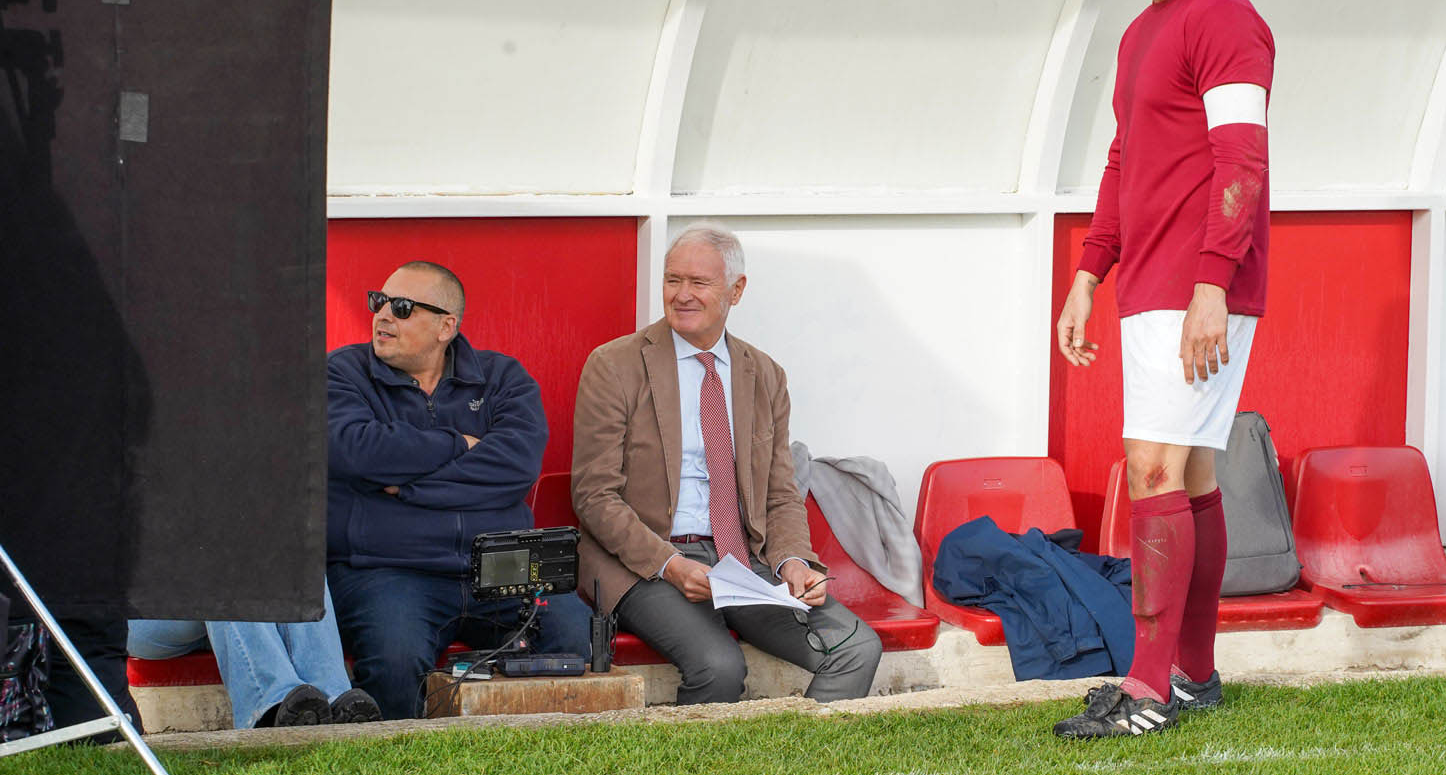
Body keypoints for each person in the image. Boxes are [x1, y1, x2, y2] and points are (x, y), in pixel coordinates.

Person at [1053, 0, 1274, 739]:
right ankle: (1193, 674)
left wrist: (1212, 284)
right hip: (1149, 282)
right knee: (1186, 471)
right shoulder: (1140, 32)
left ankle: (1146, 691)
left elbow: (1241, 164)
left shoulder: (1227, 20)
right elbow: (1123, 162)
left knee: (1150, 470)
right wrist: (1085, 272)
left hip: (1198, 286)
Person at [572, 223, 882, 705]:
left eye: (699, 283)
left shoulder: (764, 375)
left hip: (743, 561)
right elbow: (594, 496)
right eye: (673, 280)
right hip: (648, 560)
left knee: (857, 648)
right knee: (718, 666)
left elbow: (780, 493)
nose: (682, 295)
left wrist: (794, 562)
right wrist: (670, 565)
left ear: (736, 290)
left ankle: (801, 771)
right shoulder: (615, 366)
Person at [326, 261, 591, 720]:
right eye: (379, 301)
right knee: (393, 662)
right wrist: (456, 445)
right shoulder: (343, 372)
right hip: (389, 570)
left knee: (574, 635)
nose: (383, 315)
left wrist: (406, 488)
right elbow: (355, 450)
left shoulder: (501, 377)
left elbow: (516, 466)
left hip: (500, 564)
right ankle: (393, 773)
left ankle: (537, 761)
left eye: (403, 307)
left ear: (447, 326)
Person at [126, 582, 379, 728]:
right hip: (142, 606)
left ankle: (331, 699)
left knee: (297, 554)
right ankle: (269, 710)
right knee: (226, 559)